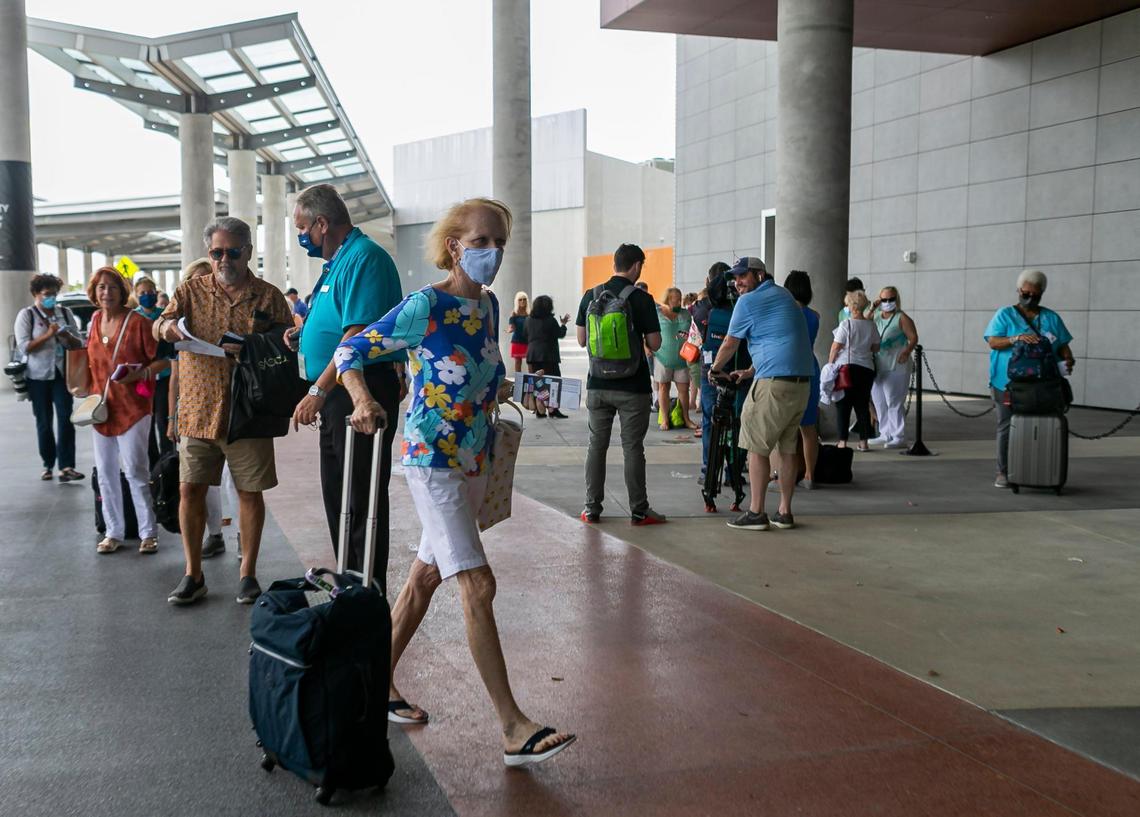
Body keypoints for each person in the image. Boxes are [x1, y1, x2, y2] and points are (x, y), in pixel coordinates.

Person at [331, 196, 575, 765]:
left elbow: (477, 370)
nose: (492, 253)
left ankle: (370, 685)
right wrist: (362, 398)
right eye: (482, 242)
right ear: (453, 247)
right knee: (478, 585)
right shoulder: (425, 305)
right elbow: (351, 349)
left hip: (472, 459)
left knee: (422, 581)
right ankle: (513, 727)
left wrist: (501, 389)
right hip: (431, 460)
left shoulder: (488, 307)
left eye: (499, 243)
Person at [155, 217, 292, 605]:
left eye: (233, 252)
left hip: (249, 410)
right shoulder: (189, 291)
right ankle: (192, 573)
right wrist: (168, 330)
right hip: (199, 409)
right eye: (216, 252)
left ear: (248, 251)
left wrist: (253, 345)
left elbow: (287, 346)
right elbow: (161, 324)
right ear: (208, 253)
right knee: (189, 488)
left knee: (250, 492)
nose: (224, 259)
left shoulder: (268, 296)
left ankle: (247, 573)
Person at [286, 183, 405, 578]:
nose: (301, 235)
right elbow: (335, 321)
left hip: (359, 389)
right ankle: (348, 582)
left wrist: (319, 390)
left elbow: (354, 334)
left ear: (322, 223)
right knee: (339, 496)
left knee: (360, 499)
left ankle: (366, 591)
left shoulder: (364, 258)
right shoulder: (338, 262)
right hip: (340, 392)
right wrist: (302, 335)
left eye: (302, 227)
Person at [711, 257, 812, 531]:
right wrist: (751, 370)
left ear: (759, 274)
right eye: (734, 278)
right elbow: (780, 338)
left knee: (757, 447)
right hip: (800, 383)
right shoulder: (784, 295)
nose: (737, 282)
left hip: (774, 384)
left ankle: (756, 513)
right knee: (788, 447)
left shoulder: (748, 301)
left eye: (743, 276)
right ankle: (784, 512)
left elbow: (731, 343)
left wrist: (714, 369)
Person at [576, 244, 666, 525]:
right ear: (637, 266)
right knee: (632, 448)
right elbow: (655, 343)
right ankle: (639, 511)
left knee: (596, 446)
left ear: (614, 263)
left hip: (597, 384)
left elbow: (581, 340)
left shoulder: (590, 295)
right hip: (633, 387)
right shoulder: (641, 298)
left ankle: (592, 509)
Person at [85, 267, 163, 554]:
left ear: (122, 291)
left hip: (134, 408)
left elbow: (162, 361)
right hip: (101, 409)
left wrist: (140, 374)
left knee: (135, 470)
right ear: (94, 292)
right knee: (105, 472)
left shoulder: (138, 323)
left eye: (112, 287)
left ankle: (148, 532)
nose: (106, 293)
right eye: (101, 287)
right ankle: (113, 531)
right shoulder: (93, 320)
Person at [983, 269, 1075, 489]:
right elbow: (993, 342)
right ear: (1018, 291)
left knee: (1044, 425)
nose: (1030, 299)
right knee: (1006, 425)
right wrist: (1016, 338)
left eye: (1035, 295)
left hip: (1044, 384)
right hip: (1006, 383)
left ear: (1042, 293)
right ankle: (1003, 471)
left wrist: (1068, 360)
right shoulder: (1005, 314)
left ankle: (1041, 469)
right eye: (1026, 294)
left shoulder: (1050, 317)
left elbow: (1063, 345)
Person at [166, 258, 229, 558]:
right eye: (197, 281)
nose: (204, 285)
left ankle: (238, 538)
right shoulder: (182, 320)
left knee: (238, 484)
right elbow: (175, 376)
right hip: (195, 411)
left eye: (209, 279)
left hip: (232, 407)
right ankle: (210, 539)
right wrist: (172, 417)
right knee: (194, 485)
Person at [15, 273, 85, 482]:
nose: (51, 298)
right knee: (44, 421)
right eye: (46, 294)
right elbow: (24, 347)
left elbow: (78, 343)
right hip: (37, 376)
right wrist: (48, 335)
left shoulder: (64, 312)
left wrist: (66, 336)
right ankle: (48, 464)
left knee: (65, 419)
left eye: (54, 294)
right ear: (36, 294)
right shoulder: (27, 315)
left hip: (62, 375)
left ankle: (66, 466)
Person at [829, 290, 880, 452]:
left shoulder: (846, 324)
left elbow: (836, 346)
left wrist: (830, 365)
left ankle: (842, 441)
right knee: (862, 405)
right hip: (866, 369)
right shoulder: (871, 325)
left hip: (847, 368)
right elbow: (876, 347)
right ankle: (864, 442)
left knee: (843, 405)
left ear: (851, 306)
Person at [783, 270, 820, 488]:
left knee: (785, 428)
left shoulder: (785, 312)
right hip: (811, 367)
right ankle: (809, 475)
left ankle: (782, 474)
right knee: (809, 428)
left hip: (789, 367)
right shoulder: (815, 315)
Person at [868, 286, 918, 449]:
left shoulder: (901, 318)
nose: (887, 303)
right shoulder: (875, 316)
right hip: (878, 365)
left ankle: (898, 435)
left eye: (891, 299)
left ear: (897, 300)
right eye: (884, 300)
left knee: (894, 401)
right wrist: (872, 308)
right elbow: (862, 322)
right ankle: (885, 433)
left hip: (897, 366)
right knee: (879, 401)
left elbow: (913, 337)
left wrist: (907, 351)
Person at [133, 276, 174, 458]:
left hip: (164, 375)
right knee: (145, 422)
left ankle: (168, 463)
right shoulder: (132, 318)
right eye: (143, 293)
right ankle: (152, 466)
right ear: (136, 295)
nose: (147, 296)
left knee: (163, 420)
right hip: (141, 378)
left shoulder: (165, 315)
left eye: (150, 292)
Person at [654, 287, 697, 431]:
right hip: (662, 356)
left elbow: (693, 332)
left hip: (683, 359)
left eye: (680, 298)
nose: (679, 301)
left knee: (684, 389)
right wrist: (647, 347)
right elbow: (649, 332)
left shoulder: (686, 314)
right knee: (663, 387)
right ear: (667, 299)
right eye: (675, 298)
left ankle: (686, 419)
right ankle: (665, 419)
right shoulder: (658, 313)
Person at [524, 294, 570, 419]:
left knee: (538, 383)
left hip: (532, 355)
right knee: (553, 382)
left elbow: (525, 335)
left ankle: (540, 410)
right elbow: (560, 334)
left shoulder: (528, 320)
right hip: (548, 356)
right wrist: (564, 324)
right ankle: (553, 410)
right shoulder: (550, 320)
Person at [682, 291, 701, 412]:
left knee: (697, 377)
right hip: (693, 347)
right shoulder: (697, 312)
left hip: (695, 348)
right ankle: (693, 402)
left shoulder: (692, 311)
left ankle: (697, 403)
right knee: (694, 377)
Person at [508, 291, 529, 373]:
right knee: (517, 362)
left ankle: (531, 381)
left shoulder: (529, 314)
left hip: (528, 341)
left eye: (524, 299)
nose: (522, 301)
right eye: (520, 300)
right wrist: (510, 329)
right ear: (517, 301)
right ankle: (518, 382)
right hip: (517, 341)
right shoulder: (514, 313)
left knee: (530, 362)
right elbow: (511, 325)